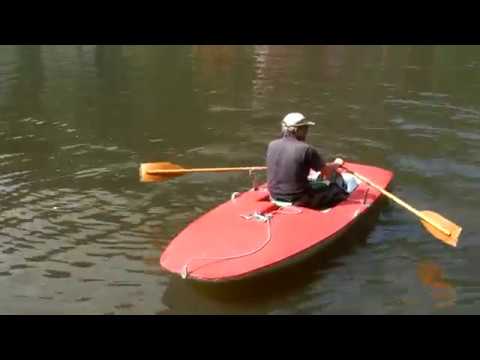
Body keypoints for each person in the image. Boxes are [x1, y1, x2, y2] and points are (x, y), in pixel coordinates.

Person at [266, 112, 348, 209]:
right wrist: (336, 164)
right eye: (305, 128)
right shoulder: (306, 149)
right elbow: (327, 172)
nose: (307, 131)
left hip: (274, 195)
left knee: (315, 184)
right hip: (298, 198)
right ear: (297, 130)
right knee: (336, 189)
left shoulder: (272, 145)